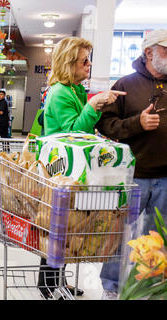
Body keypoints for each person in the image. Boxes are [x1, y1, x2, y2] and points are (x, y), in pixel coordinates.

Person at [40, 36, 126, 300]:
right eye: (83, 60)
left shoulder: (74, 90)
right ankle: (48, 285)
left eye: (89, 59)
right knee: (58, 231)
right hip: (60, 172)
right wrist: (92, 106)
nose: (88, 65)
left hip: (73, 173)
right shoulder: (59, 93)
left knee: (68, 231)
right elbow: (71, 135)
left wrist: (94, 107)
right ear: (68, 63)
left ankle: (58, 281)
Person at [96, 29, 167, 300]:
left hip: (166, 177)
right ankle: (111, 288)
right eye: (165, 50)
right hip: (132, 177)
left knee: (158, 238)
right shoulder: (125, 85)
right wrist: (138, 123)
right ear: (149, 52)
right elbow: (105, 125)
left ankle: (149, 287)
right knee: (120, 234)